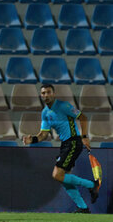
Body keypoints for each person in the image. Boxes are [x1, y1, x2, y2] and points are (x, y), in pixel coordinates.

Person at [22, 84, 100, 213]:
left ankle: (92, 185)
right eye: (43, 93)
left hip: (74, 142)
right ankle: (83, 207)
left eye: (48, 92)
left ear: (54, 93)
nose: (46, 95)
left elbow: (83, 117)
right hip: (65, 145)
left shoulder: (64, 106)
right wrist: (33, 140)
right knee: (63, 178)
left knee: (57, 175)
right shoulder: (45, 113)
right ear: (41, 95)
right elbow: (43, 134)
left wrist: (84, 137)